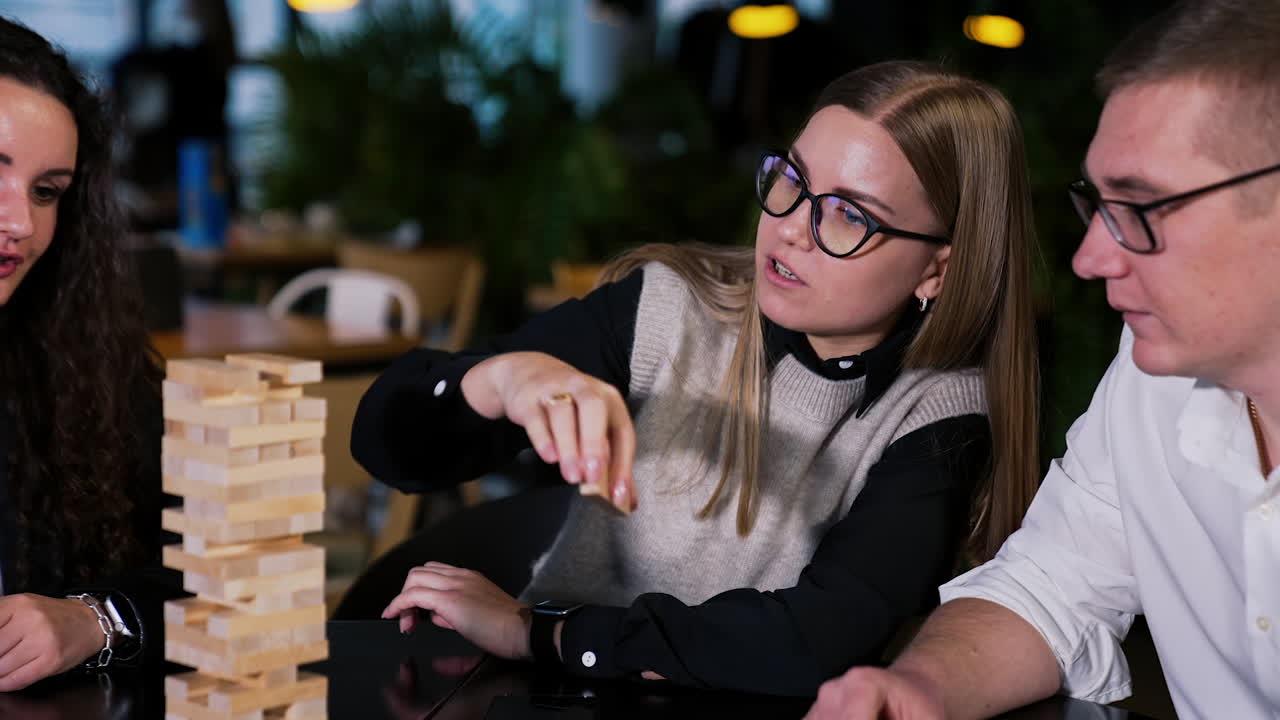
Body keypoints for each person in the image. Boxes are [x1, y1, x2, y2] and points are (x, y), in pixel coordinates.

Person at [354, 60, 1041, 695]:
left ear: (937, 272)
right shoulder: (668, 308)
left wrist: (540, 633)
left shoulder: (940, 412)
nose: (793, 229)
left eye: (849, 215)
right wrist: (500, 381)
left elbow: (813, 641)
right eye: (794, 181)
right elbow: (388, 446)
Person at [804, 1, 1280, 718]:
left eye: (1141, 209)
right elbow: (1049, 586)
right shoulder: (1155, 380)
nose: (1090, 258)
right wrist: (918, 690)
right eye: (1100, 204)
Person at [0, 16, 171, 691]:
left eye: (48, 192)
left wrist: (94, 621)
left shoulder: (81, 365)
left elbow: (221, 578)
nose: (21, 222)